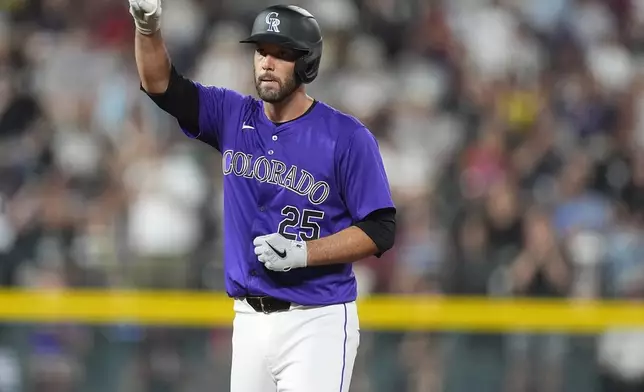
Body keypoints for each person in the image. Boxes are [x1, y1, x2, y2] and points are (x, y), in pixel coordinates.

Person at [127, 2, 396, 391]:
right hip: (249, 319)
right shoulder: (232, 115)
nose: (267, 63)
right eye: (261, 51)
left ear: (306, 63)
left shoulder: (346, 137)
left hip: (315, 319)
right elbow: (161, 86)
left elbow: (381, 229)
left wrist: (307, 252)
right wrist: (147, 27)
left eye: (282, 54)